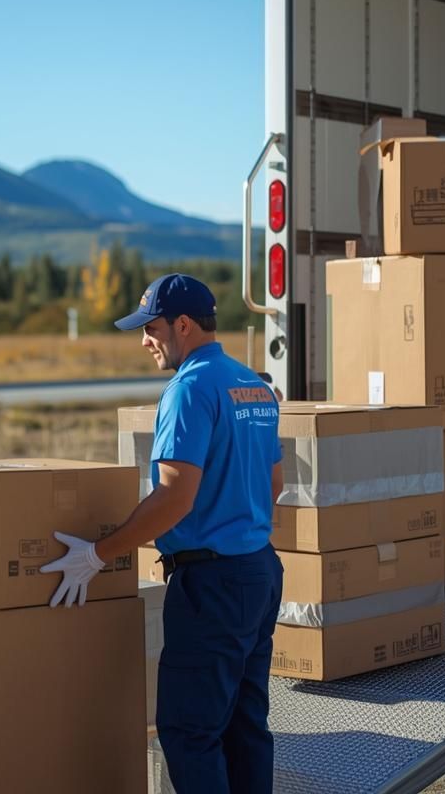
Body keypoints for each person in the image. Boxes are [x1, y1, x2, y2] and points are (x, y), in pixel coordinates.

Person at [42, 273, 284, 793]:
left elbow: (175, 497)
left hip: (213, 586)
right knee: (245, 728)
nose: (144, 340)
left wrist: (98, 554)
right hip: (259, 572)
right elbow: (275, 483)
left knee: (190, 732)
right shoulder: (254, 385)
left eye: (150, 327)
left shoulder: (189, 389)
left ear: (183, 324)